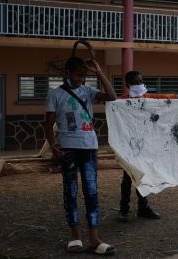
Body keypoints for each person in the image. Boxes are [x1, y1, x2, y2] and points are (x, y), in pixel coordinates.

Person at [45, 57, 117, 255]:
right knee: (71, 191)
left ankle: (94, 238)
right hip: (67, 148)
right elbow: (48, 123)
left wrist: (99, 72)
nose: (81, 79)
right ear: (67, 73)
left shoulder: (88, 91)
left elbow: (112, 96)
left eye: (84, 76)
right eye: (78, 75)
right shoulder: (55, 94)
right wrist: (53, 146)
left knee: (91, 191)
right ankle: (75, 236)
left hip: (89, 147)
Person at [117, 70, 178, 222]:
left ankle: (143, 207)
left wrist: (177, 97)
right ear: (128, 84)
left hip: (145, 145)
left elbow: (161, 99)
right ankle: (124, 209)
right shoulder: (121, 102)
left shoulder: (147, 98)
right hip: (128, 146)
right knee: (128, 178)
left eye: (141, 81)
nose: (140, 84)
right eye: (136, 82)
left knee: (144, 177)